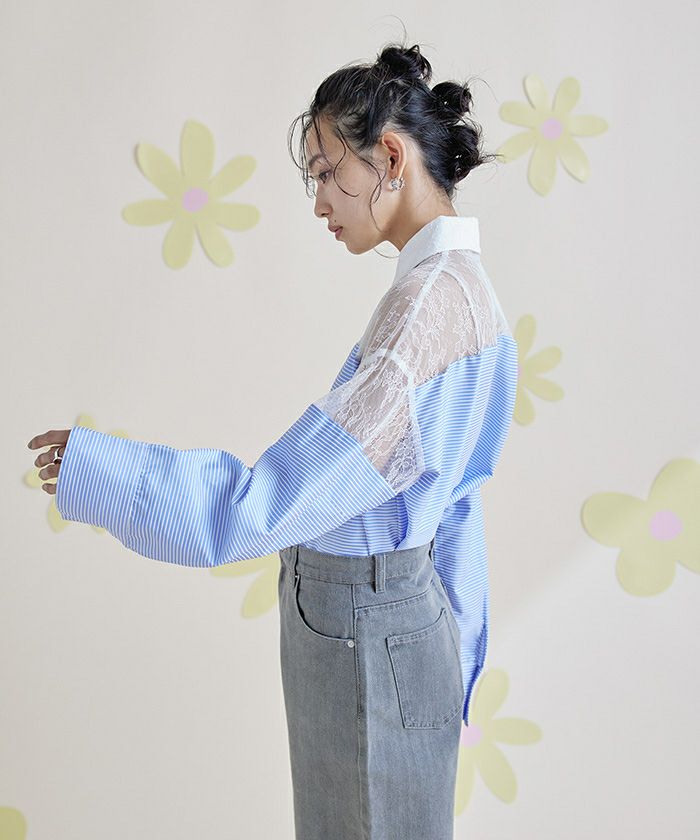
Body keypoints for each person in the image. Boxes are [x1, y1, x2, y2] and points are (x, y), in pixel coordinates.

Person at [27, 41, 518, 840]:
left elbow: (271, 502)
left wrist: (101, 471)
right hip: (392, 617)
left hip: (367, 621)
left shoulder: (427, 310)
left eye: (328, 172)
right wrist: (453, 643)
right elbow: (460, 500)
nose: (320, 201)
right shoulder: (459, 291)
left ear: (391, 157)